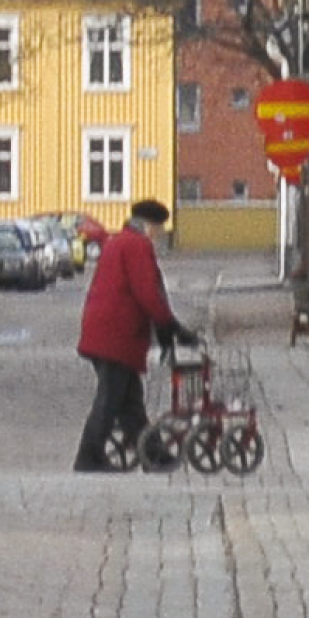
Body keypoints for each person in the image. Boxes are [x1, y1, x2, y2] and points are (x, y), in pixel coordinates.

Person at [75, 195, 196, 472]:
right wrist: (171, 327)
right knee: (109, 401)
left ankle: (153, 454)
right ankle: (89, 456)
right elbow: (148, 294)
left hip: (107, 332)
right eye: (160, 228)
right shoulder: (136, 246)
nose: (160, 234)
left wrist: (168, 328)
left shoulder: (120, 241)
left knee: (130, 404)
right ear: (150, 226)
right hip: (115, 335)